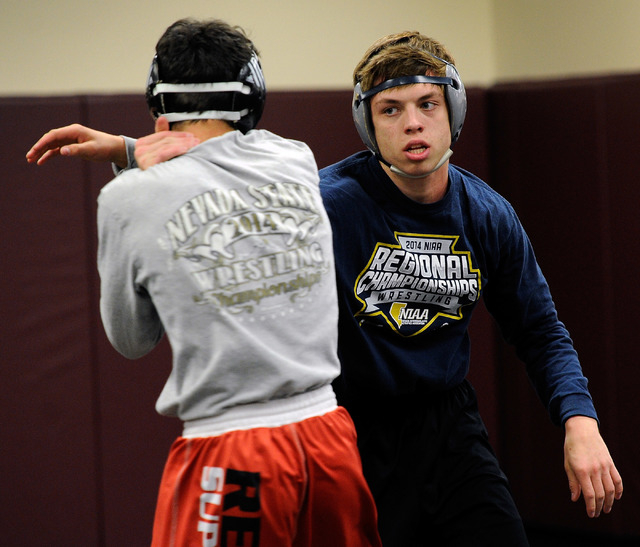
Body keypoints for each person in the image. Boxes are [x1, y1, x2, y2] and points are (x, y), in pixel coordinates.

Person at [27, 30, 623, 547]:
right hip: (353, 424)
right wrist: (134, 158)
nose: (412, 122)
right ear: (367, 122)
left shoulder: (489, 214)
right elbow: (231, 191)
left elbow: (540, 328)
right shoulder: (323, 200)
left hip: (450, 425)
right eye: (390, 109)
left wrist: (579, 420)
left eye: (427, 104)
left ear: (455, 112)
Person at [28, 18, 382, 547]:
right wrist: (133, 149)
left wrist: (129, 165)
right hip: (329, 438)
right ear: (253, 91)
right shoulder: (295, 158)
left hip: (232, 449)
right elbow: (215, 158)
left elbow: (131, 340)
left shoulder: (129, 199)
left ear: (156, 98)